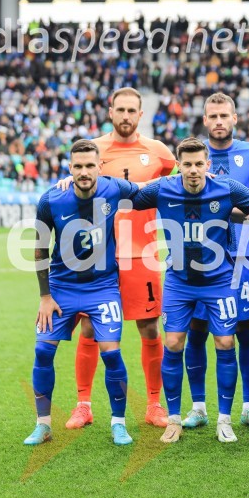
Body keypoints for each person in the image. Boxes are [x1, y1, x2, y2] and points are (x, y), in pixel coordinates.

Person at [128, 137, 249, 444]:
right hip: (179, 282)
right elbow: (126, 195)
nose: (193, 170)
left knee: (226, 342)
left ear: (208, 165)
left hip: (219, 282)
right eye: (187, 164)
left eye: (198, 164)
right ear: (179, 166)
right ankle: (174, 419)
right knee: (173, 342)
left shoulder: (226, 188)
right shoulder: (162, 189)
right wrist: (80, 181)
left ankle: (224, 420)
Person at [65, 87, 176, 431]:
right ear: (110, 111)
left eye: (132, 111)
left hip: (143, 254)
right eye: (120, 110)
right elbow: (77, 182)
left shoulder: (158, 152)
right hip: (100, 256)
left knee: (150, 328)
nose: (126, 116)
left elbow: (181, 179)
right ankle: (83, 405)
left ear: (140, 115)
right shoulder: (94, 150)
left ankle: (154, 404)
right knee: (89, 327)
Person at [25, 139, 148, 446]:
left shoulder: (113, 188)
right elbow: (40, 249)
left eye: (89, 165)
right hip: (61, 288)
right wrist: (44, 296)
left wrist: (184, 177)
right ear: (69, 168)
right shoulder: (51, 199)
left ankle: (118, 424)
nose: (84, 172)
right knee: (43, 351)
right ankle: (43, 425)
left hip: (102, 287)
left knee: (112, 353)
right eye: (78, 166)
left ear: (99, 167)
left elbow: (147, 189)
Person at [181, 93, 249, 431]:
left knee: (245, 331)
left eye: (224, 116)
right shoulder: (193, 156)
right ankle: (199, 406)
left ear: (235, 118)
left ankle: (248, 406)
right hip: (201, 258)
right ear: (205, 120)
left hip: (241, 253)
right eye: (213, 116)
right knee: (197, 331)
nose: (219, 121)